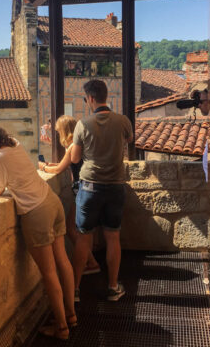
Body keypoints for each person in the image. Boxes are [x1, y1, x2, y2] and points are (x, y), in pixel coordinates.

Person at [0, 117, 76, 340]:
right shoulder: (14, 143)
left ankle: (62, 328)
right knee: (62, 260)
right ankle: (71, 315)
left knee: (49, 272)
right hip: (51, 201)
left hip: (36, 212)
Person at [70, 79, 133, 302]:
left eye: (86, 99)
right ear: (106, 96)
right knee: (113, 237)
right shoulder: (123, 121)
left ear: (91, 98)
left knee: (83, 239)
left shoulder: (83, 124)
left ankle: (75, 291)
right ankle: (113, 287)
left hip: (90, 188)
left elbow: (75, 158)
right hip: (116, 186)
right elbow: (129, 139)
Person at [38, 115, 101, 275]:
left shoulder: (73, 146)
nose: (57, 134)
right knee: (85, 231)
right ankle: (91, 261)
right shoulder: (79, 144)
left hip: (81, 190)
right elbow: (64, 164)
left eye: (58, 131)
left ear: (64, 131)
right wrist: (52, 165)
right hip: (90, 188)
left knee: (72, 229)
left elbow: (58, 170)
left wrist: (43, 168)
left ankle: (92, 263)